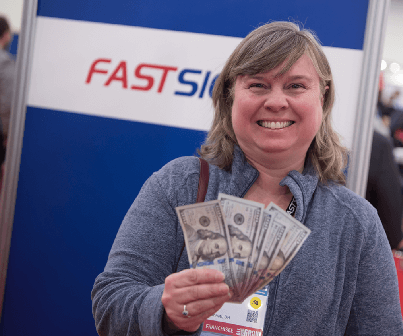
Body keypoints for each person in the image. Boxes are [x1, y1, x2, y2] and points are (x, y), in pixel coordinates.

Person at [92, 22, 403, 335]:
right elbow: (110, 305)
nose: (277, 101)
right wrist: (164, 310)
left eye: (296, 86)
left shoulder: (357, 224)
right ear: (230, 96)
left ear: (322, 97)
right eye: (258, 85)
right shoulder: (179, 185)